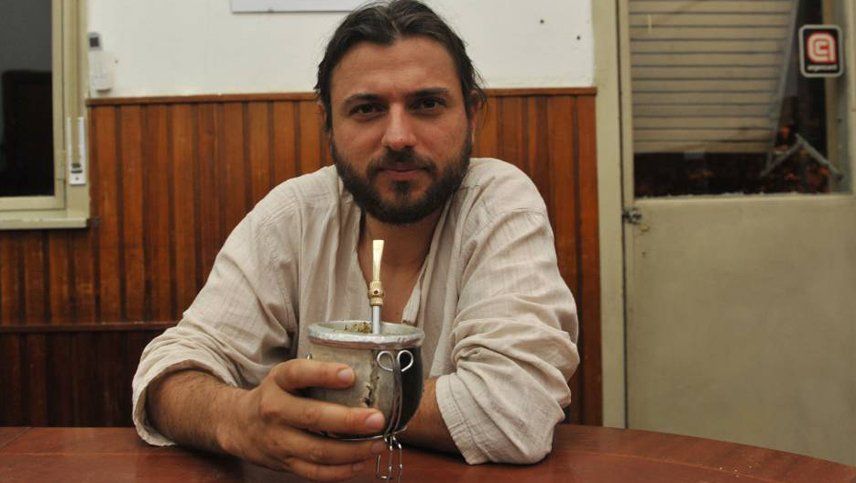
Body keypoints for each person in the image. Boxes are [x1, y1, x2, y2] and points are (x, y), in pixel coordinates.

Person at [133, 1, 579, 480]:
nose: (398, 137)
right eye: (367, 109)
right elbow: (167, 371)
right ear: (328, 123)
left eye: (427, 104)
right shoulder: (294, 214)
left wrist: (317, 400)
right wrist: (236, 418)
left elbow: (513, 412)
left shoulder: (499, 205)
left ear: (471, 115)